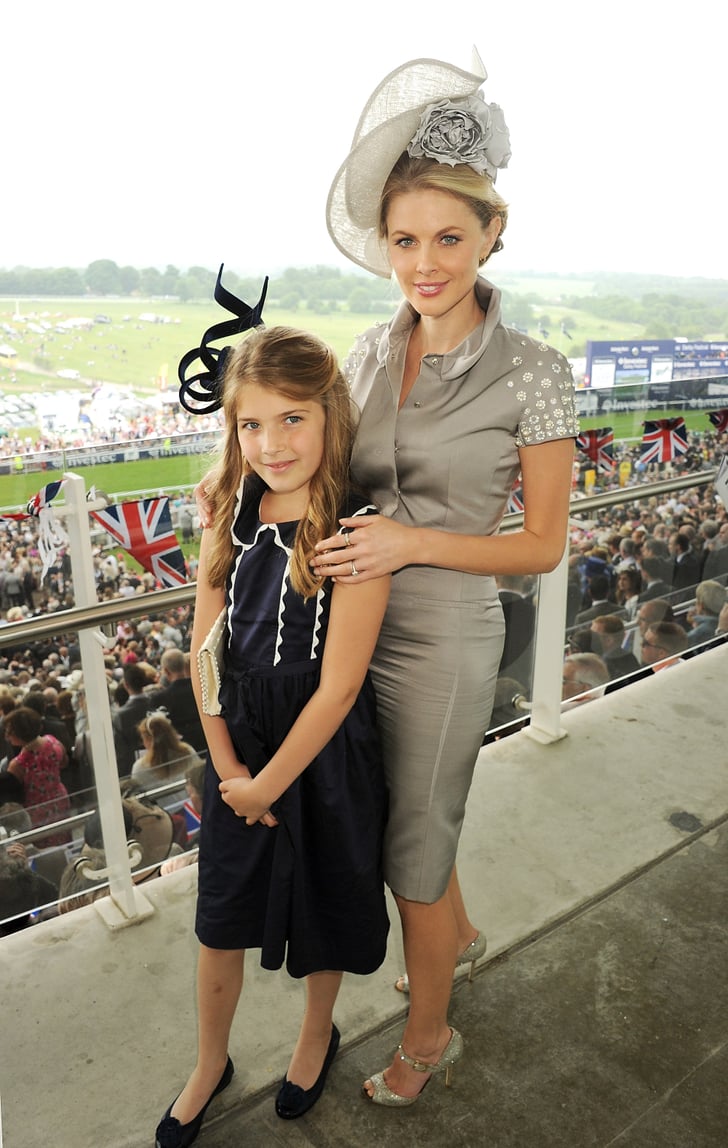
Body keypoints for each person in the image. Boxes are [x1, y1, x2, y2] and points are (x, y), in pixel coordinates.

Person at [314, 51, 577, 1106]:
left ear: (492, 232)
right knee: (399, 817)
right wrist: (231, 478)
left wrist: (410, 543)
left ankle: (427, 1034)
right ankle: (457, 934)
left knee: (411, 850)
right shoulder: (368, 354)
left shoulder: (535, 373)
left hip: (443, 645)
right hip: (353, 634)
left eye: (448, 238)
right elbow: (330, 471)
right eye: (405, 240)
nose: (424, 263)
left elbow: (541, 545)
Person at [155, 314, 391, 1146]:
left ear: (330, 412)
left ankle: (313, 1035)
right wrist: (229, 771)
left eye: (292, 418)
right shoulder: (229, 513)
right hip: (240, 751)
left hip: (321, 756)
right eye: (251, 423)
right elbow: (203, 650)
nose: (271, 442)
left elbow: (338, 689)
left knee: (322, 903)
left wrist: (271, 782)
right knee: (222, 916)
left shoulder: (357, 527)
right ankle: (209, 1059)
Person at [3, 706, 71, 847]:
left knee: (44, 849)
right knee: (64, 840)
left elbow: (13, 792)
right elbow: (64, 763)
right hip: (59, 798)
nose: (7, 736)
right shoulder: (53, 742)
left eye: (10, 732)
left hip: (36, 809)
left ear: (20, 734)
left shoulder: (18, 764)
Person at [131, 709, 202, 790]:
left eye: (143, 739)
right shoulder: (187, 750)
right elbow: (199, 777)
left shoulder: (140, 767)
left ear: (147, 740)